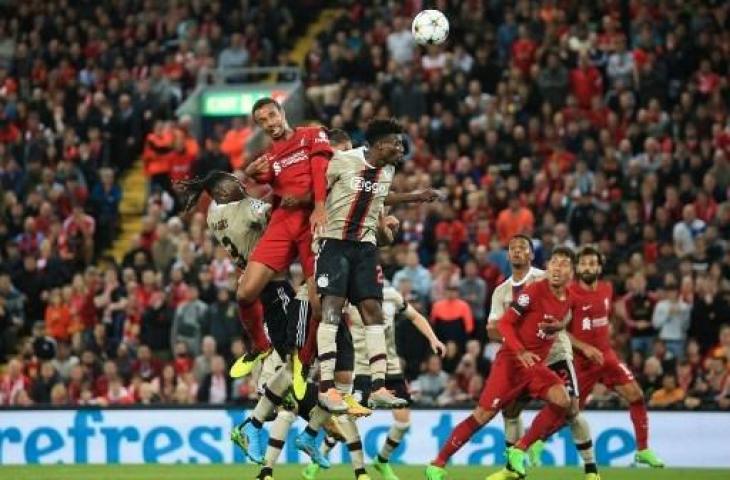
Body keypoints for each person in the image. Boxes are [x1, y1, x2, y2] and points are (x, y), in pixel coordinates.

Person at [426, 247, 576, 480]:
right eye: (554, 262)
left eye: (564, 264)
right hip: (511, 363)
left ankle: (520, 448)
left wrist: (559, 326)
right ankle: (437, 463)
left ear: (571, 272)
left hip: (535, 367)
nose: (557, 268)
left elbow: (567, 315)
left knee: (563, 400)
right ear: (547, 267)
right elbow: (504, 325)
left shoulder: (570, 297)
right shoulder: (534, 290)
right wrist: (522, 351)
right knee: (483, 416)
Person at [314, 118, 414, 412]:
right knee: (332, 309)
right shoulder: (344, 161)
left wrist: (414, 198)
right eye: (396, 143)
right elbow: (319, 190)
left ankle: (379, 387)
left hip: (365, 248)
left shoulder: (388, 171)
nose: (400, 148)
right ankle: (326, 388)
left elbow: (382, 199)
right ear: (379, 143)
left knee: (374, 311)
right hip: (335, 243)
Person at [303, 283, 446, 480]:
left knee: (403, 423)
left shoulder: (392, 295)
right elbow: (328, 318)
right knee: (347, 419)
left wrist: (433, 339)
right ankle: (327, 465)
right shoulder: (349, 296)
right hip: (362, 370)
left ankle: (381, 461)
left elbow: (415, 316)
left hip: (391, 368)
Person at [486, 234, 596, 480]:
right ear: (507, 255)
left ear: (531, 254)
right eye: (512, 248)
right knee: (510, 411)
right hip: (523, 357)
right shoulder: (500, 291)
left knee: (572, 409)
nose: (516, 252)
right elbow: (492, 328)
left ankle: (591, 470)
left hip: (555, 352)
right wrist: (513, 339)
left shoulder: (545, 277)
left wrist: (559, 326)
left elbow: (568, 308)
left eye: (522, 248)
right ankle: (513, 469)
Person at [236, 97, 333, 377]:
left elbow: (320, 173)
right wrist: (250, 176)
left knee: (318, 304)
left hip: (311, 222)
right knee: (245, 292)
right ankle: (261, 346)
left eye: (271, 116)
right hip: (282, 224)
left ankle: (304, 360)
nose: (269, 123)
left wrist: (318, 207)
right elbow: (252, 185)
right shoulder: (270, 156)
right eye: (262, 121)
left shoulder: (312, 135)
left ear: (282, 112)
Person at [568, 245, 664, 468]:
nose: (588, 267)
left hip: (607, 357)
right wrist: (584, 347)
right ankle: (534, 445)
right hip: (581, 362)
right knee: (568, 411)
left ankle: (642, 450)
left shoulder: (607, 289)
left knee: (636, 395)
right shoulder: (568, 293)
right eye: (583, 263)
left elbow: (605, 318)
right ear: (577, 268)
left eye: (592, 263)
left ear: (599, 268)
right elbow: (561, 330)